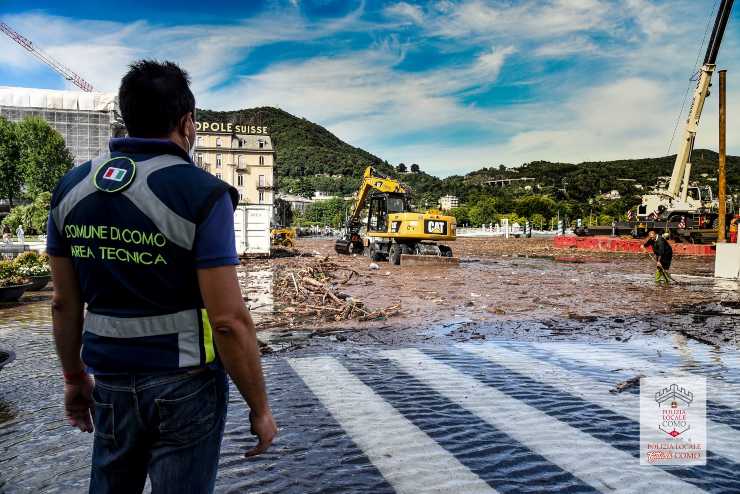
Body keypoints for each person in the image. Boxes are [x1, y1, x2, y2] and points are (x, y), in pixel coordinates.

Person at [47, 60, 277, 494]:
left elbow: (62, 302)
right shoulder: (202, 193)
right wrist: (259, 407)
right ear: (187, 123)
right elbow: (227, 320)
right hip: (186, 385)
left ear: (127, 116)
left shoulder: (71, 188)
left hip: (109, 383)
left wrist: (74, 378)